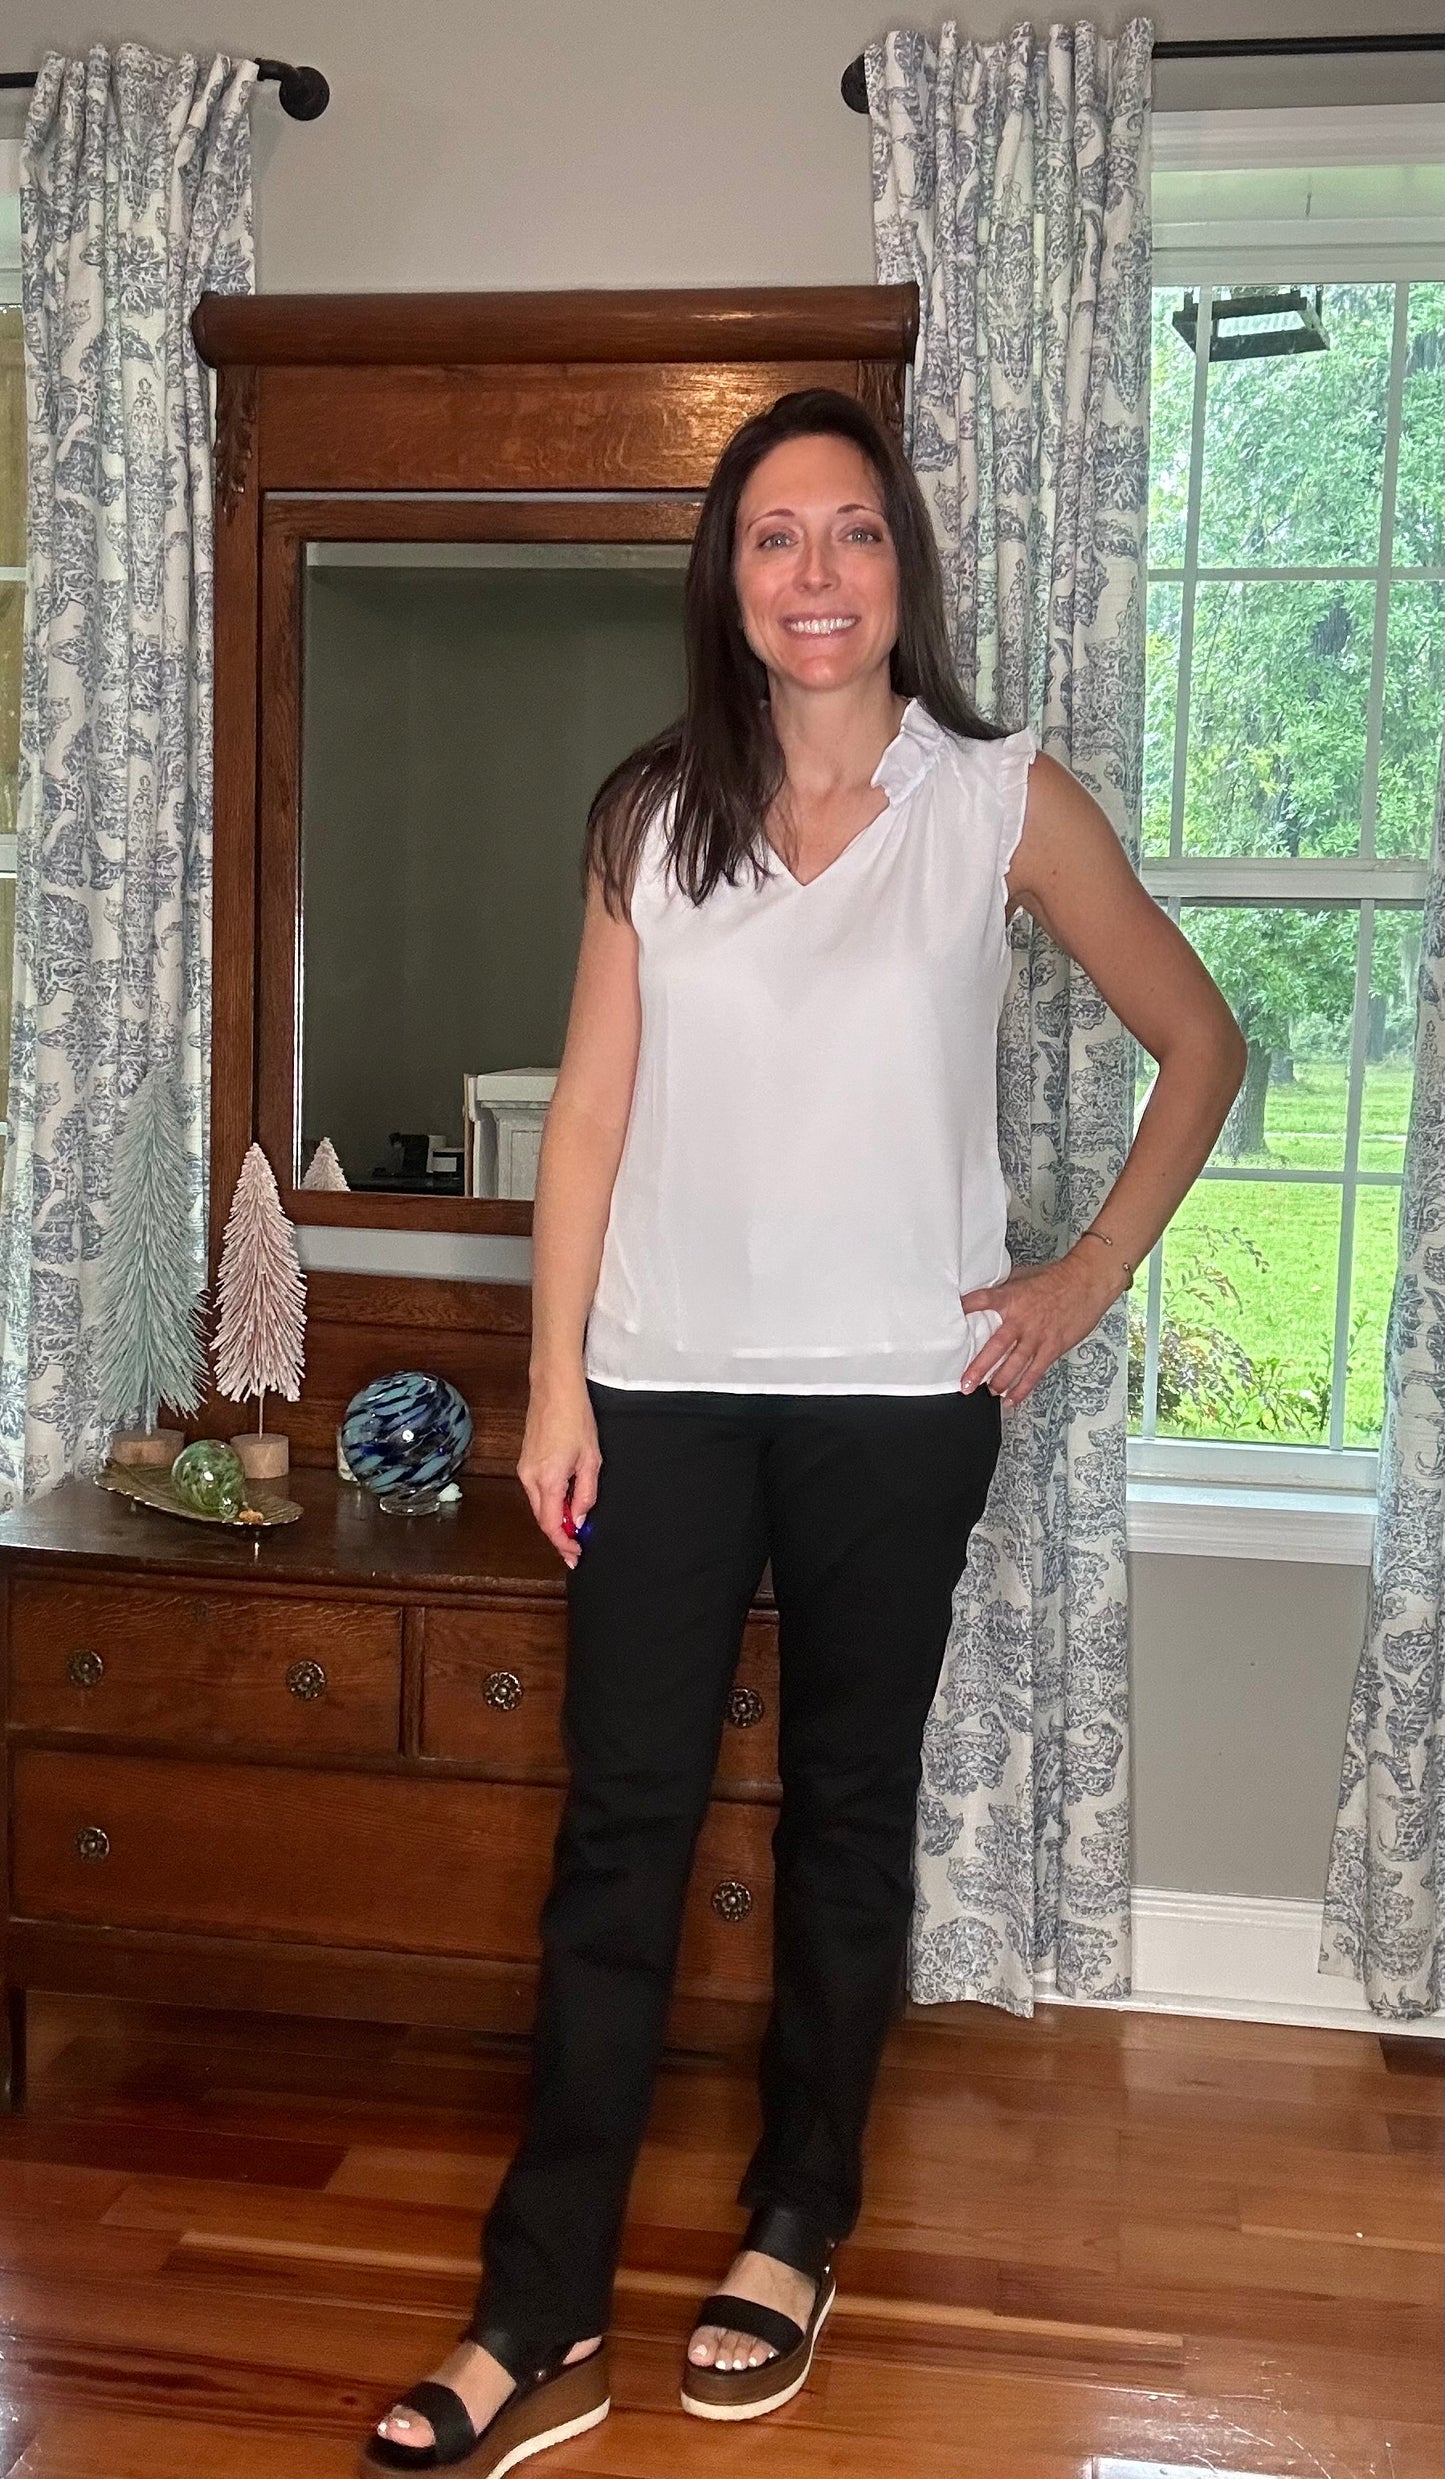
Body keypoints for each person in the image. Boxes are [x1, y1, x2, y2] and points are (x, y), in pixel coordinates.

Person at [364, 388, 1246, 2474]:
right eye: (776, 535)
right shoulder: (647, 816)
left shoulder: (999, 800)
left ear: (899, 567)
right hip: (662, 1398)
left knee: (846, 1817)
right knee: (621, 1838)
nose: (817, 572)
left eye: (852, 531)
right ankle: (538, 2308)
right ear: (731, 576)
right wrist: (554, 1384)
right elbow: (590, 1114)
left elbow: (1202, 1040)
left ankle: (793, 2226)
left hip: (895, 1409)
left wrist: (1078, 1277)